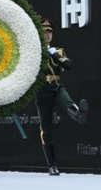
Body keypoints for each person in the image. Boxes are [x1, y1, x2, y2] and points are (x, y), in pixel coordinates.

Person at [35, 19, 89, 175]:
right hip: (42, 90)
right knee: (46, 130)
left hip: (56, 85)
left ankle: (78, 115)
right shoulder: (34, 53)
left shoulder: (57, 51)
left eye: (50, 32)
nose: (48, 34)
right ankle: (52, 165)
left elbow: (69, 65)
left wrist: (56, 55)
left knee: (67, 101)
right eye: (45, 32)